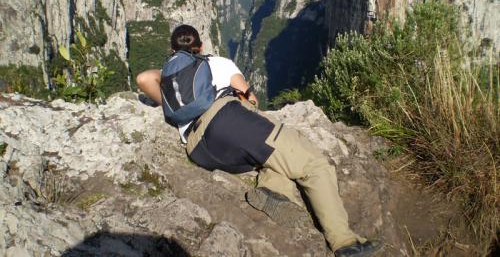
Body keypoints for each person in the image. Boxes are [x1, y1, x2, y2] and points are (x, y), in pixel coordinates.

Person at [136, 24, 382, 257]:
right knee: (313, 163)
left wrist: (170, 69)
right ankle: (345, 243)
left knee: (268, 156)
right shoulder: (215, 62)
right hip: (229, 121)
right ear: (200, 48)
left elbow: (143, 79)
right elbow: (250, 98)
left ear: (172, 51)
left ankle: (274, 190)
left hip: (201, 150)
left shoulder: (171, 83)